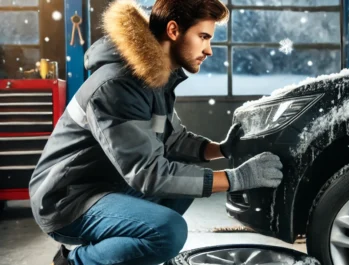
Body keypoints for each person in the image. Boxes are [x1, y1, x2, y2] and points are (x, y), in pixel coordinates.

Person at [29, 1, 284, 265]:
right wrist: (236, 178)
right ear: (174, 30)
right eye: (203, 37)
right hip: (67, 199)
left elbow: (173, 141)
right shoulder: (118, 85)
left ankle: (120, 251)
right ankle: (73, 262)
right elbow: (148, 173)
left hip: (107, 185)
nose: (208, 50)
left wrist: (221, 149)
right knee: (168, 231)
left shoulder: (153, 78)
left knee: (184, 169)